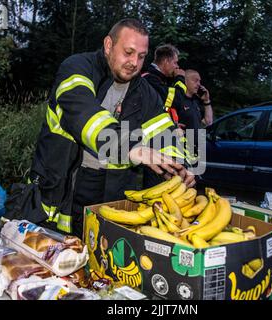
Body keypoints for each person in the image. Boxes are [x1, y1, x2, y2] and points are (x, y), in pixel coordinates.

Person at [29, 19, 195, 237]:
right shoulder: (77, 68)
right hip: (64, 189)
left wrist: (180, 166)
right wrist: (134, 148)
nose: (134, 62)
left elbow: (165, 133)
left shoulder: (145, 92)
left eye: (141, 56)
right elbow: (84, 115)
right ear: (108, 45)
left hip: (114, 193)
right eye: (128, 52)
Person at [142, 44, 189, 188]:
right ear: (166, 61)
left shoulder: (158, 79)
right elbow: (176, 101)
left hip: (163, 142)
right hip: (155, 144)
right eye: (175, 62)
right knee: (156, 185)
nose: (177, 66)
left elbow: (164, 109)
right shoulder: (149, 79)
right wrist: (180, 79)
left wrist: (172, 125)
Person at [177, 69, 213, 156]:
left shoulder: (195, 102)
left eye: (199, 81)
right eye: (195, 80)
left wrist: (207, 101)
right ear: (185, 81)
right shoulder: (177, 99)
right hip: (179, 153)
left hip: (194, 153)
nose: (199, 84)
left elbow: (208, 122)